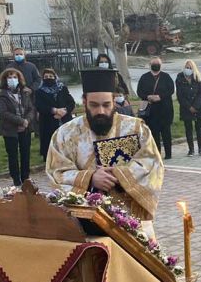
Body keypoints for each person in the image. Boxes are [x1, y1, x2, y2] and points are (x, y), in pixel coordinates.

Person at [47, 68, 164, 226]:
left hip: (130, 219)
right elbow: (56, 173)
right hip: (84, 221)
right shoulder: (65, 134)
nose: (100, 111)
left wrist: (119, 174)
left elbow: (152, 164)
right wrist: (90, 178)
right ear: (84, 101)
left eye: (106, 105)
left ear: (114, 101)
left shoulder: (136, 129)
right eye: (94, 105)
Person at [0, 68, 35, 188]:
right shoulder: (2, 95)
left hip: (25, 127)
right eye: (9, 77)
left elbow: (31, 109)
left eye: (14, 77)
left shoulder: (24, 93)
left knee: (25, 153)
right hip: (10, 129)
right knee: (12, 154)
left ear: (19, 79)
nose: (12, 80)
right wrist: (20, 121)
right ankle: (16, 179)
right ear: (5, 80)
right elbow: (4, 113)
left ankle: (25, 177)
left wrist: (27, 120)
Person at [137, 57, 175, 160]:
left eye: (157, 64)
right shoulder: (144, 77)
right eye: (154, 64)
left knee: (166, 132)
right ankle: (157, 154)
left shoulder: (166, 77)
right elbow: (139, 91)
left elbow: (171, 90)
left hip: (165, 110)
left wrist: (160, 97)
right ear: (150, 65)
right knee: (154, 133)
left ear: (160, 65)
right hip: (151, 111)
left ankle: (168, 154)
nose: (156, 65)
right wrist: (148, 97)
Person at [34, 67, 76, 159]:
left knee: (66, 147)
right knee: (51, 148)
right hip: (48, 123)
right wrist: (54, 110)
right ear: (43, 78)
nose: (48, 78)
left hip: (64, 120)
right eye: (46, 77)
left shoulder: (62, 88)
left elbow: (71, 102)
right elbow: (39, 106)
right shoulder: (39, 91)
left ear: (55, 77)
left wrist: (64, 111)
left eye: (51, 76)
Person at [176, 59, 201, 156]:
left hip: (198, 107)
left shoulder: (198, 77)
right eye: (187, 67)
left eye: (190, 68)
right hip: (186, 107)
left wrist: (195, 106)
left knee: (199, 127)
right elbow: (180, 95)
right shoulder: (180, 78)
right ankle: (191, 149)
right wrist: (189, 107)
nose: (188, 69)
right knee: (188, 128)